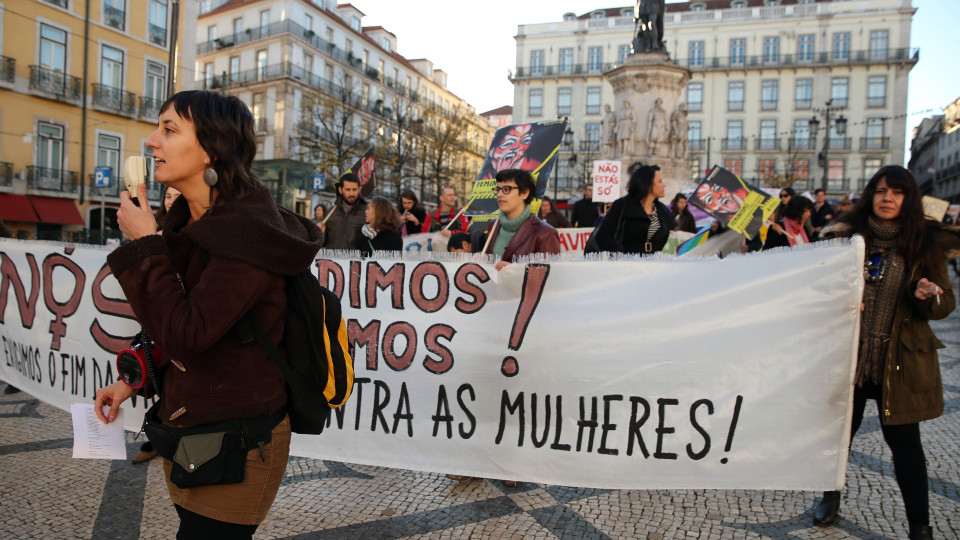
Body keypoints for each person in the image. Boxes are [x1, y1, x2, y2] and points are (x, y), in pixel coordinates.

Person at [94, 90, 323, 538]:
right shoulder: (188, 223)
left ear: (211, 151)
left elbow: (187, 332)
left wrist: (144, 245)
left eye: (169, 130)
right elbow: (171, 317)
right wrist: (131, 378)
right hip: (192, 426)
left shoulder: (247, 235)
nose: (151, 140)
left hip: (241, 439)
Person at [811, 165, 955, 540]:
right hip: (851, 358)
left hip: (900, 363)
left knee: (907, 449)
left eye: (897, 192)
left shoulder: (923, 243)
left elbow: (944, 304)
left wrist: (929, 294)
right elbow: (820, 291)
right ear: (870, 195)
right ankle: (830, 496)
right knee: (840, 438)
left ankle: (919, 525)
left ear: (908, 199)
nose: (888, 198)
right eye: (881, 190)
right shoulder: (847, 240)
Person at [482, 169, 561, 269]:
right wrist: (482, 259)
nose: (499, 194)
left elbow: (550, 274)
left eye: (506, 189)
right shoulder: (493, 226)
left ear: (524, 193)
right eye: (498, 189)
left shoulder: (545, 233)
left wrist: (516, 270)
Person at [595, 165, 677, 255]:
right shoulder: (622, 205)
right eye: (660, 181)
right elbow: (603, 236)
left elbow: (664, 237)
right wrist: (621, 257)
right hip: (625, 264)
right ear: (648, 184)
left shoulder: (661, 209)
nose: (664, 185)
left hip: (652, 264)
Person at [323, 173, 368, 250]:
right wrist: (320, 233)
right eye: (348, 190)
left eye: (354, 189)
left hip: (355, 261)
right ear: (340, 190)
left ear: (359, 189)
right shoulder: (331, 211)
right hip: (332, 260)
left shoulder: (367, 212)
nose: (351, 193)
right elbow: (323, 242)